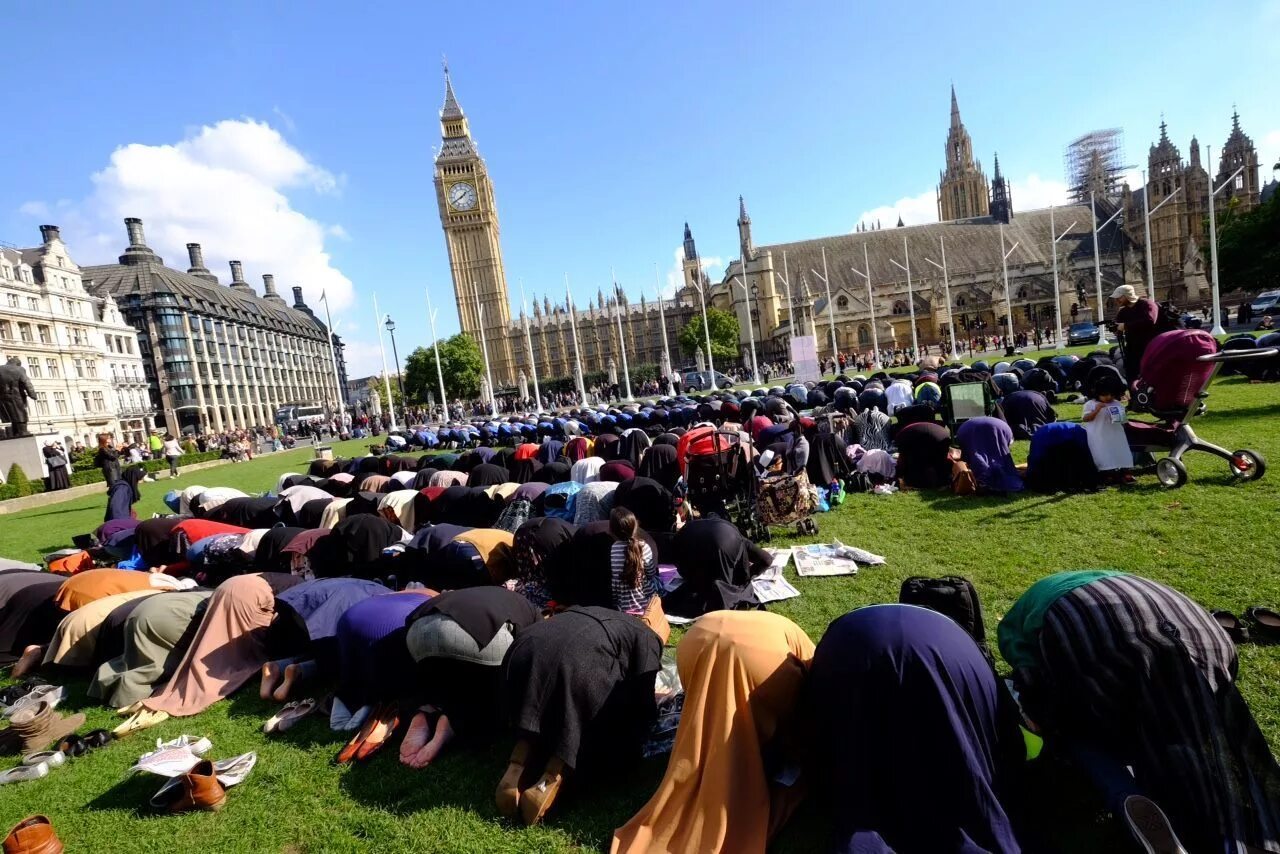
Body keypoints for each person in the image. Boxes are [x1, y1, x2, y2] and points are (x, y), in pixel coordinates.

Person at [999, 572, 1280, 853]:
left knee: (1079, 731)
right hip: (1204, 632)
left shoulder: (1017, 622)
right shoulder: (1124, 578)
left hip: (1087, 630)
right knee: (1214, 726)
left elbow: (1029, 677)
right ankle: (1254, 830)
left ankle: (1132, 797)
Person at [807, 605, 1027, 853]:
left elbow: (825, 725)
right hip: (951, 655)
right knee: (956, 739)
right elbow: (1000, 731)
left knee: (859, 751)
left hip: (853, 651)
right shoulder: (954, 633)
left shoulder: (845, 636)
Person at [611, 611, 815, 854]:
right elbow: (806, 703)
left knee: (715, 709)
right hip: (765, 660)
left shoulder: (772, 626)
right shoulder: (805, 650)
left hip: (698, 638)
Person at [499, 606, 662, 826]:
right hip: (577, 662)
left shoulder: (585, 611)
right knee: (580, 707)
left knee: (539, 694)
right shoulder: (648, 638)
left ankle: (521, 752)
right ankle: (553, 773)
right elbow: (643, 702)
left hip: (523, 648)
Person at [1081, 374, 1133, 484]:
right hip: (1099, 435)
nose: (1108, 397)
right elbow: (1086, 418)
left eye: (1112, 395)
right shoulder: (1090, 404)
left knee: (1120, 451)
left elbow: (1123, 421)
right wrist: (1096, 410)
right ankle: (1107, 474)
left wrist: (1120, 417)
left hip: (1116, 434)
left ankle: (1125, 471)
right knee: (1102, 453)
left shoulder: (1117, 404)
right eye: (1105, 395)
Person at [1111, 284, 1158, 376]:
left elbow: (1150, 320)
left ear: (1127, 296)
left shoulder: (1146, 304)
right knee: (1132, 375)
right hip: (1133, 349)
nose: (1116, 300)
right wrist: (1116, 329)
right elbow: (1118, 325)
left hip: (1150, 346)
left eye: (1119, 297)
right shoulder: (1123, 311)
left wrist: (1125, 326)